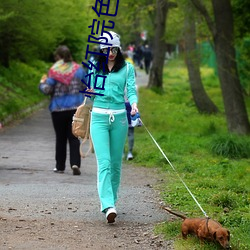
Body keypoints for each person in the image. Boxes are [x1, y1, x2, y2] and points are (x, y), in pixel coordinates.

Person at [86, 31, 138, 223]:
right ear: (101, 50)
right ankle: (108, 205)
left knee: (116, 164)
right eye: (107, 49)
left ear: (119, 49)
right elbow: (89, 95)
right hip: (98, 118)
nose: (111, 53)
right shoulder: (94, 66)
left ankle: (112, 201)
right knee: (105, 163)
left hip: (120, 119)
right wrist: (88, 92)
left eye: (114, 49)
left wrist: (134, 104)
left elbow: (131, 91)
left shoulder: (127, 68)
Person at [39, 45, 87, 175]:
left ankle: (60, 167)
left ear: (58, 57)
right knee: (74, 136)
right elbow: (86, 86)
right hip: (75, 109)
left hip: (58, 109)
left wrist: (42, 83)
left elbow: (47, 90)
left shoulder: (54, 71)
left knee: (60, 138)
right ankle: (75, 163)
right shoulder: (79, 70)